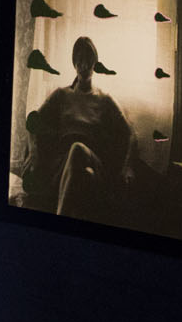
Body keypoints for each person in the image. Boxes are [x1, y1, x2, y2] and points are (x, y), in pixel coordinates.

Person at [22, 36, 132, 218]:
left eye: (88, 59)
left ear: (95, 63)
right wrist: (34, 152)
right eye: (80, 60)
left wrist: (127, 167)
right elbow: (33, 121)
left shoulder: (104, 98)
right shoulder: (62, 94)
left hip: (92, 157)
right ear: (74, 63)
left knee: (79, 150)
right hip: (64, 162)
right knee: (85, 176)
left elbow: (128, 133)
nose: (84, 65)